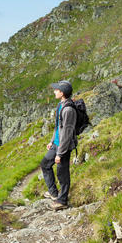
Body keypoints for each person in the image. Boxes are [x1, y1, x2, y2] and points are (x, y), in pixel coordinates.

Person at [41, 80, 77, 211]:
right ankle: (54, 193)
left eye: (56, 90)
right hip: (56, 144)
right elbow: (57, 127)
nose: (54, 91)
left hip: (64, 147)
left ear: (62, 93)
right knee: (45, 164)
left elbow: (67, 133)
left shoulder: (68, 109)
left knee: (62, 174)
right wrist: (51, 141)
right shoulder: (60, 105)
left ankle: (62, 201)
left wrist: (60, 154)